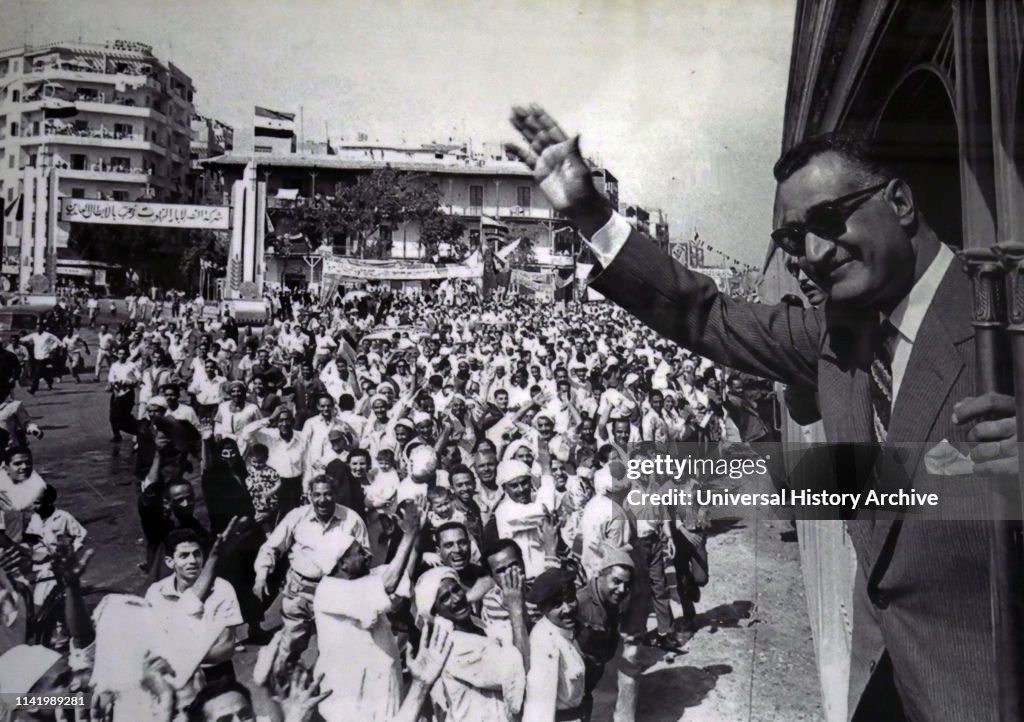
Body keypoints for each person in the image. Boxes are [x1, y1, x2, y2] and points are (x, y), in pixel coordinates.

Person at [508, 106, 1001, 720]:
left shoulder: (1002, 316)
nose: (813, 254)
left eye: (828, 220)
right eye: (793, 240)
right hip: (893, 681)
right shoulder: (834, 337)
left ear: (899, 201)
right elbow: (705, 314)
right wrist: (591, 215)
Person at [311, 498, 422, 721]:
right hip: (352, 694)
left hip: (381, 682)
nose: (368, 555)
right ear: (342, 563)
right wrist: (408, 535)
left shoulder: (364, 577)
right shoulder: (329, 591)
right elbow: (390, 583)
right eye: (359, 552)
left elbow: (402, 572)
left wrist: (416, 532)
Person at [254, 477, 370, 675]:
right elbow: (271, 547)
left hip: (336, 593)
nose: (322, 500)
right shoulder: (297, 517)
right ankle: (283, 686)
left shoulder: (351, 520)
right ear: (310, 495)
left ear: (335, 495)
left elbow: (365, 557)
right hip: (299, 593)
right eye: (316, 494)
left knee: (334, 648)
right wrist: (261, 576)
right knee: (290, 646)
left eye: (327, 494)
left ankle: (324, 689)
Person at [522, 567, 587, 722]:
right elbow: (539, 708)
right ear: (542, 608)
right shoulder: (545, 644)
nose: (568, 608)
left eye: (570, 598)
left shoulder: (564, 631)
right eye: (557, 604)